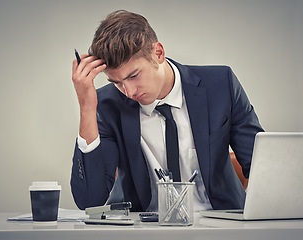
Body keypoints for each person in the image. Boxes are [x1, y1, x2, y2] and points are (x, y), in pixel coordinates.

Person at [70, 10, 264, 212]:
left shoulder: (220, 84)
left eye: (134, 76)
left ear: (158, 53)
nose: (128, 91)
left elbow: (261, 166)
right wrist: (86, 108)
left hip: (218, 222)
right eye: (117, 82)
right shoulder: (107, 103)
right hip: (144, 228)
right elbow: (90, 200)